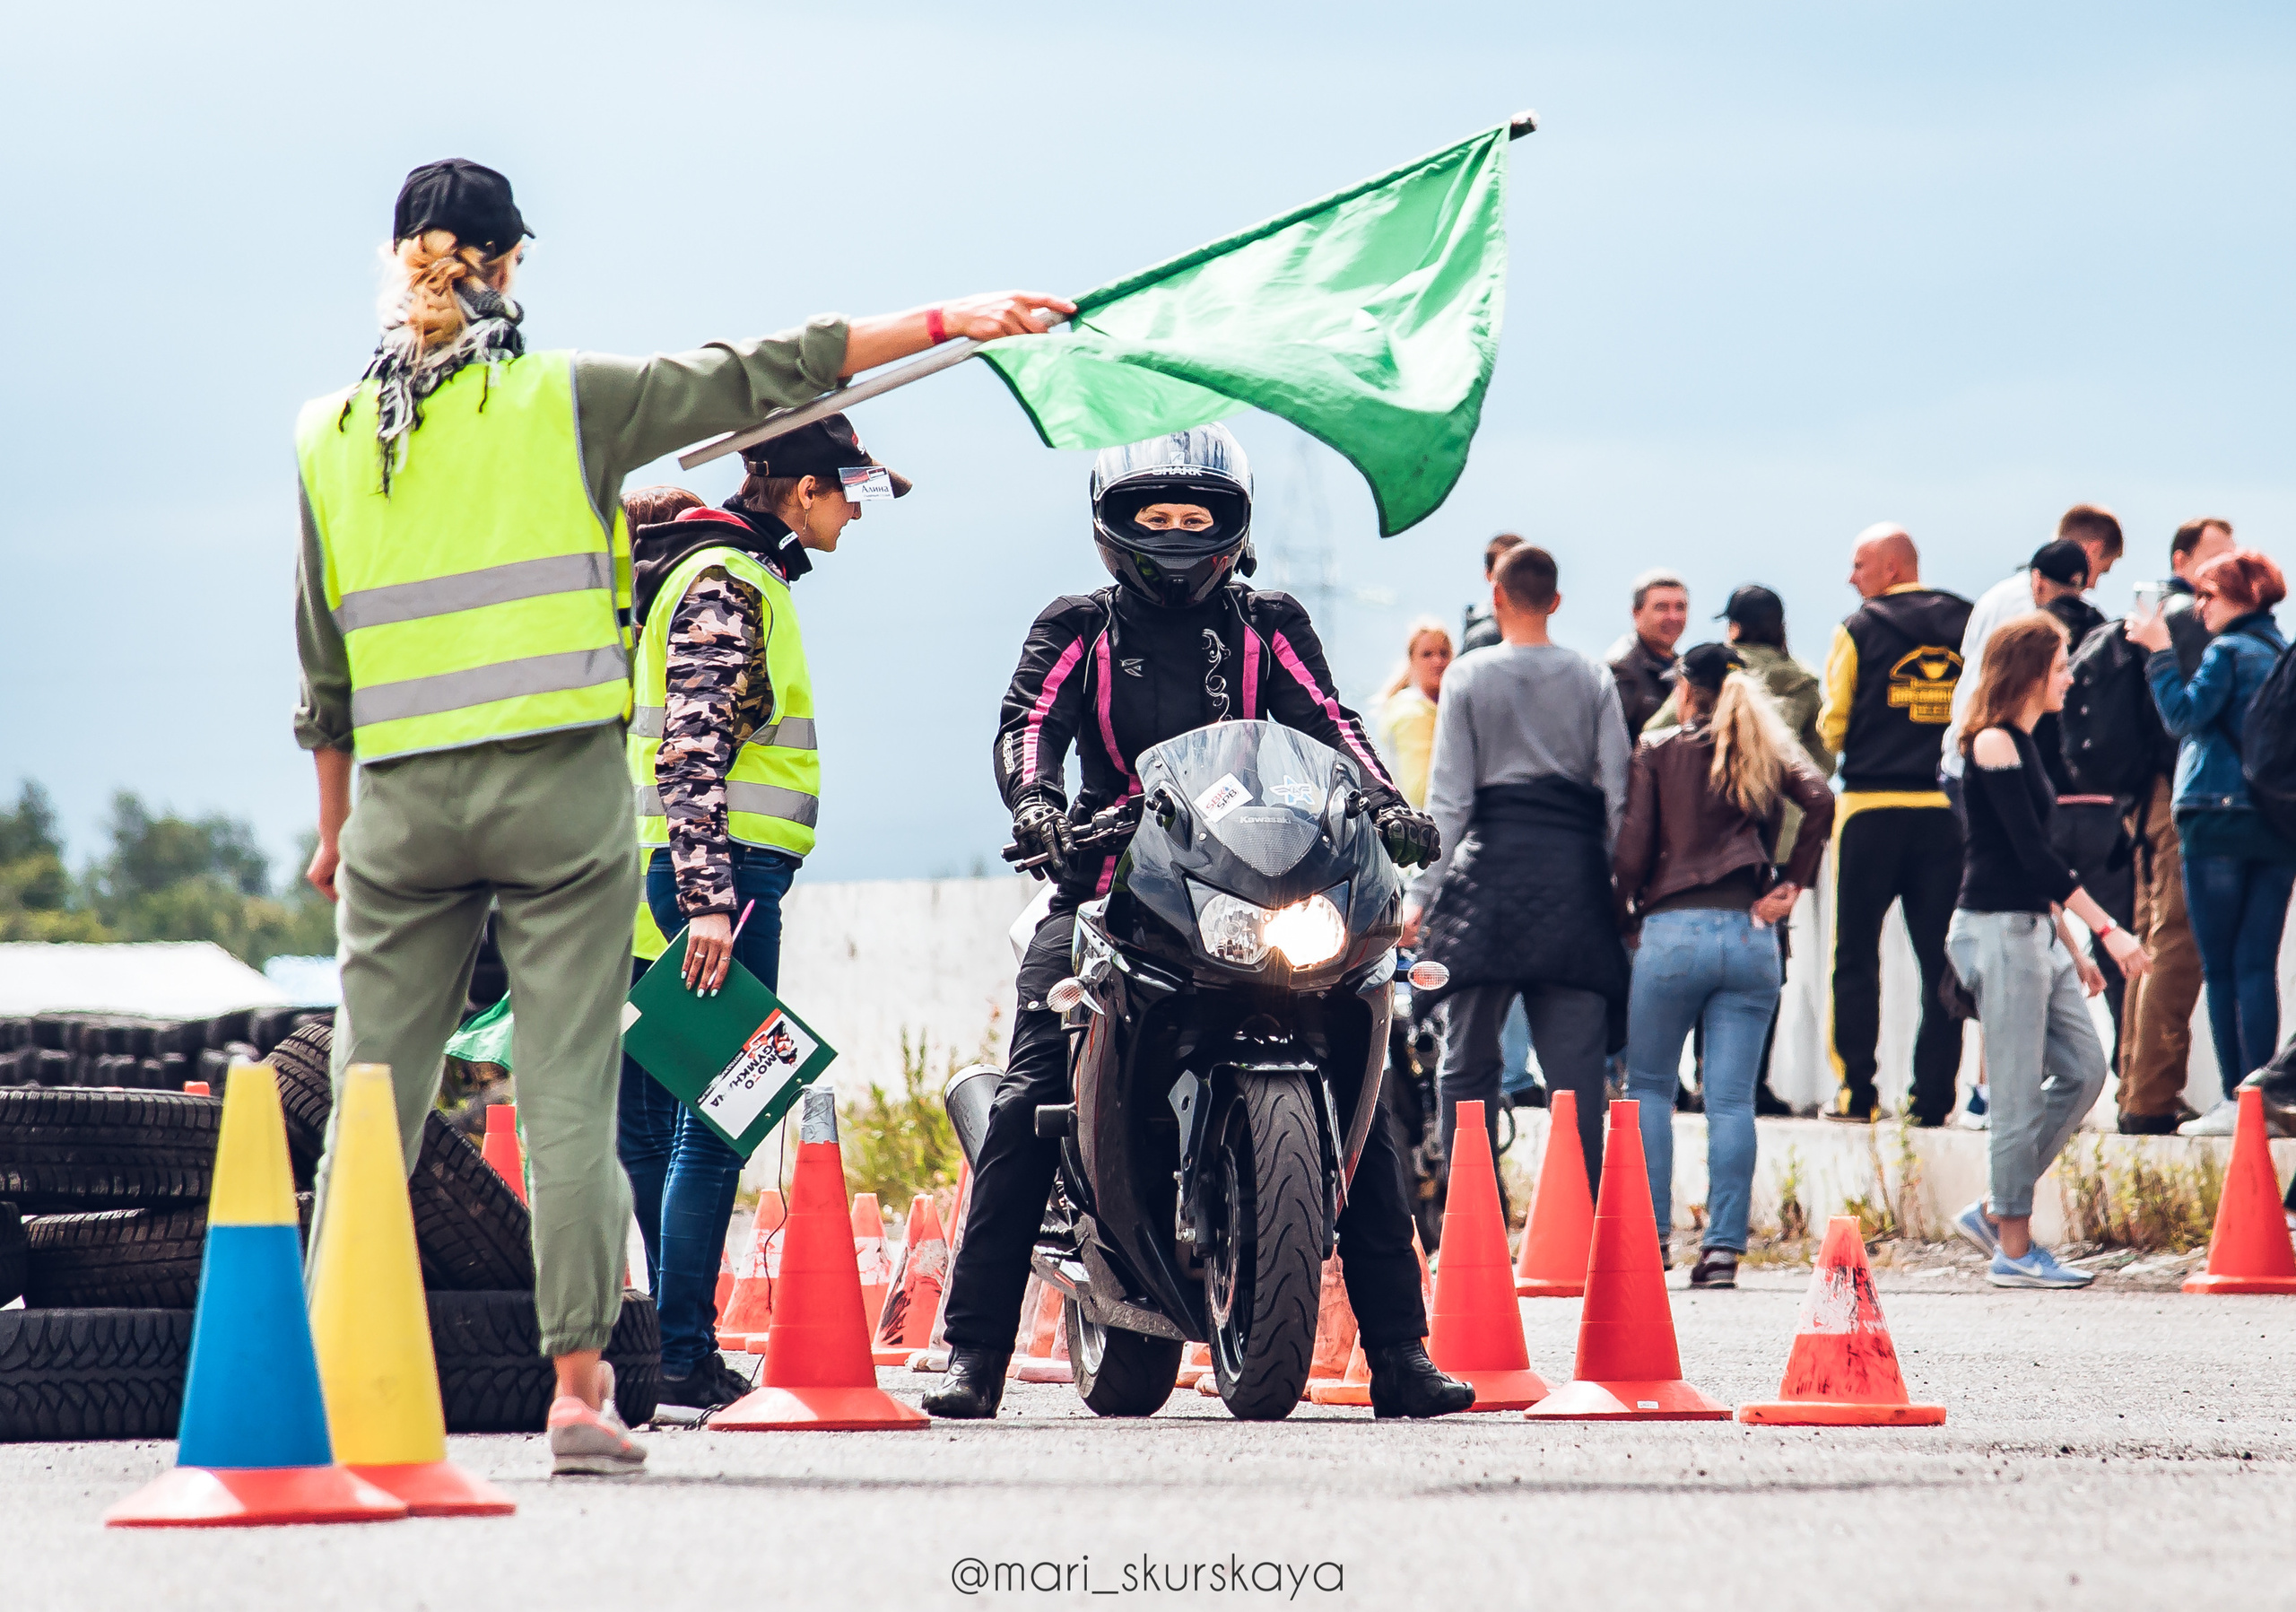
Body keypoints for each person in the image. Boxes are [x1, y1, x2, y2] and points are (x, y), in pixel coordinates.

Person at [293, 157, 1073, 1476]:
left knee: (369, 1095)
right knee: (572, 1098)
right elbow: (761, 368)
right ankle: (583, 1394)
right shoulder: (568, 402)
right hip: (563, 802)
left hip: (400, 806)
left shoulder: (324, 434)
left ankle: (313, 1381)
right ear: (507, 267)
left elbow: (322, 675)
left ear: (399, 261)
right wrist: (949, 317)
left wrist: (332, 827)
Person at [924, 425, 1469, 1422]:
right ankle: (974, 1353)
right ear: (1113, 527)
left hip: (1255, 888)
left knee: (1367, 1075)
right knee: (1029, 1095)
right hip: (1107, 887)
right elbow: (1027, 726)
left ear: (1232, 526)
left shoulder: (1268, 623)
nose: (1176, 532)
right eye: (1155, 517)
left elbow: (1330, 725)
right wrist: (1037, 806)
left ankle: (1400, 1356)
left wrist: (1388, 803)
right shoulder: (1078, 626)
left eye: (1195, 517)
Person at [622, 416, 903, 1408]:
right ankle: (683, 1356)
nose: (855, 510)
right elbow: (690, 754)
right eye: (846, 491)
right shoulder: (728, 585)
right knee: (723, 1116)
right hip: (722, 879)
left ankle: (667, 1349)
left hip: (666, 872)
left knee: (654, 1121)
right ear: (801, 490)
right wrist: (708, 902)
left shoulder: (713, 574)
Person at [1407, 544, 1632, 1199]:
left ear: (1496, 598)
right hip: (1575, 880)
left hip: (1487, 885)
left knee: (1466, 1064)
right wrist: (1621, 893)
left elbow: (1449, 801)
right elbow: (1618, 793)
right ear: (1555, 601)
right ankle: (1582, 1225)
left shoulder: (1469, 677)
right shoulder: (1592, 676)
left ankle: (1469, 1212)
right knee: (1577, 1076)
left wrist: (1420, 892)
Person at [1613, 644, 1834, 1288]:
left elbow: (1631, 851)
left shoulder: (1659, 751)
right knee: (1731, 1100)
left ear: (1686, 690)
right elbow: (1820, 798)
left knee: (1650, 1089)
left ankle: (1652, 1241)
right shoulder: (1761, 746)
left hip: (1671, 933)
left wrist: (1624, 913)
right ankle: (1721, 1252)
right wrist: (1793, 882)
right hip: (1750, 932)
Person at [1945, 614, 2152, 1287]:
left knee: (2086, 1071)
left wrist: (2072, 943)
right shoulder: (1993, 743)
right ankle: (2013, 1246)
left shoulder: (2030, 744)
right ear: (2031, 671)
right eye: (2062, 666)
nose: (2070, 678)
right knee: (2015, 1096)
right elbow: (2030, 857)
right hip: (1998, 930)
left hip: (2036, 928)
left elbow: (2037, 862)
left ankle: (1992, 1208)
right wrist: (2109, 929)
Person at [2127, 549, 2296, 1134]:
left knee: (2220, 967)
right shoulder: (2282, 653)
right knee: (2258, 965)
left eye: (2209, 594)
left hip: (2214, 817)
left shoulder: (2226, 651)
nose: (2199, 606)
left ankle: (2234, 1097)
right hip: (2276, 824)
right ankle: (2267, 1097)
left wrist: (2156, 653)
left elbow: (2183, 715)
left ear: (2242, 596)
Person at [1815, 524, 1972, 1126]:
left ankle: (1857, 1093)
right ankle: (1932, 1099)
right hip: (1943, 811)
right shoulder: (1967, 618)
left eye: (1859, 564)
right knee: (1943, 960)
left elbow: (1834, 722)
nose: (1852, 578)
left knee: (1854, 954)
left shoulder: (1857, 628)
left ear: (1891, 567)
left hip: (1871, 807)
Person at [2115, 517, 2234, 1132]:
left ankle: (2138, 1086)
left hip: (2142, 798)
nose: (2228, 567)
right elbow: (2188, 715)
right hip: (2174, 794)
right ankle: (2150, 1098)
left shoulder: (2149, 612)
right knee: (2178, 941)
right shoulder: (2185, 616)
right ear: (2182, 558)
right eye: (2217, 556)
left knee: (2150, 937)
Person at [1941, 505, 2125, 810]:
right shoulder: (2044, 617)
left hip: (1968, 758)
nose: (2092, 585)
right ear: (2092, 551)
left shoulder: (1994, 599)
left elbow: (1972, 681)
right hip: (2009, 765)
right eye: (2102, 571)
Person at [1375, 619, 1455, 808]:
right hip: (1423, 823)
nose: (1438, 661)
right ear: (1412, 660)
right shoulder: (1412, 713)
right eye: (1427, 654)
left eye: (1444, 653)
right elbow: (1422, 792)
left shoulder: (1439, 706)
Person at [1609, 569, 1689, 740]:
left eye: (1680, 607)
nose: (1673, 617)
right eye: (1662, 608)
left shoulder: (1686, 667)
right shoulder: (1622, 671)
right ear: (1636, 612)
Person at [1458, 532, 1525, 653]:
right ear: (1488, 574)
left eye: (1522, 568)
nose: (1516, 577)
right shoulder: (1481, 638)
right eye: (1505, 569)